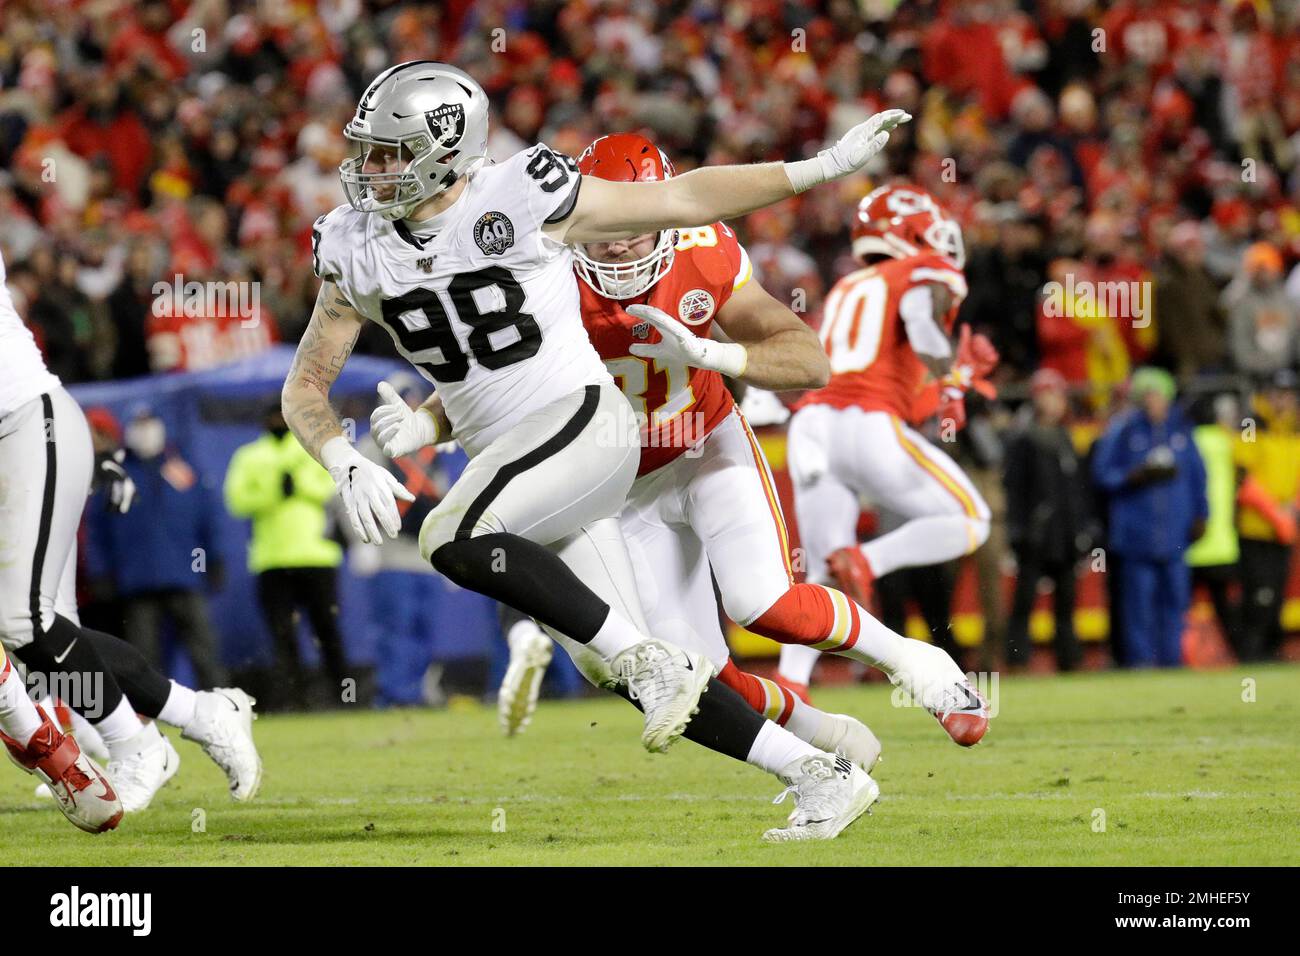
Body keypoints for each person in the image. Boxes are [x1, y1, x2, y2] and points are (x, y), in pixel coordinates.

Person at [284, 61, 912, 840]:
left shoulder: (520, 194)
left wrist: (817, 169)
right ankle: (820, 774)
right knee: (624, 664)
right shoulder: (354, 244)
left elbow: (682, 197)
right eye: (367, 151)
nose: (368, 170)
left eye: (387, 153)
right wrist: (342, 457)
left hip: (584, 424)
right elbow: (305, 385)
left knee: (450, 534)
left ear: (443, 150)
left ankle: (657, 664)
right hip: (518, 468)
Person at [497, 132, 971, 764]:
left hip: (706, 444)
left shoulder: (702, 249)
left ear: (662, 216)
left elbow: (809, 359)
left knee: (763, 603)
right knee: (692, 676)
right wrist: (425, 424)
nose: (615, 246)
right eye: (605, 228)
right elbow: (490, 379)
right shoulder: (541, 275)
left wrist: (716, 354)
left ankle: (915, 660)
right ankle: (821, 736)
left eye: (634, 230)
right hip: (619, 487)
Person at [0, 248, 260, 816]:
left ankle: (134, 745)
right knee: (38, 634)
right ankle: (197, 713)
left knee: (24, 622)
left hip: (23, 427)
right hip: (19, 440)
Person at [776, 184, 996, 711]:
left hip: (810, 426)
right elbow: (921, 326)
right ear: (911, 231)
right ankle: (869, 560)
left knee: (822, 573)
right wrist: (950, 378)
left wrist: (945, 379)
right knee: (972, 520)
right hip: (866, 423)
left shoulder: (848, 285)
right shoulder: (921, 269)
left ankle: (790, 687)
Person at [85, 406, 227, 688]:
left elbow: (207, 517)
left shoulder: (185, 468)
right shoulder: (117, 474)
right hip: (137, 580)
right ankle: (146, 714)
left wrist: (214, 558)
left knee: (203, 650)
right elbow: (97, 530)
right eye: (139, 425)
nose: (145, 432)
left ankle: (221, 703)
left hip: (184, 575)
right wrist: (101, 572)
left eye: (149, 423)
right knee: (143, 656)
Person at [224, 403, 348, 710]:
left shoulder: (316, 449)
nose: (278, 422)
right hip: (273, 559)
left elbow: (335, 486)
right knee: (282, 636)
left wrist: (301, 486)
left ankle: (346, 698)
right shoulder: (249, 455)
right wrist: (273, 492)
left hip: (316, 555)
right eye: (272, 418)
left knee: (327, 631)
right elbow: (236, 500)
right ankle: (295, 701)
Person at [1091, 367, 1208, 667]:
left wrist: (1201, 514)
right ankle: (1141, 664)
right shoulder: (1124, 430)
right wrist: (1134, 477)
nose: (1154, 402)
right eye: (1148, 396)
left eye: (1159, 396)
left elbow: (1198, 477)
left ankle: (1172, 661)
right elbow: (1102, 475)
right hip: (1135, 536)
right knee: (1138, 606)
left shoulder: (1182, 431)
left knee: (1175, 603)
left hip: (1175, 535)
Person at [1002, 368, 1090, 671]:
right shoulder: (1024, 439)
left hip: (1063, 533)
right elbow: (1014, 490)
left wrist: (1082, 529)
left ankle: (1069, 659)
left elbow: (1076, 490)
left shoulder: (1065, 437)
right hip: (1035, 535)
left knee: (1066, 601)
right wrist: (1018, 532)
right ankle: (1017, 661)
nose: (1054, 402)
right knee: (1024, 601)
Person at [1233, 371, 1300, 661]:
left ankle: (1269, 654)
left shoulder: (1293, 432)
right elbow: (1243, 479)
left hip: (1284, 529)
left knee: (1276, 596)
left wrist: (1292, 511)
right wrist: (1277, 515)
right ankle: (1252, 657)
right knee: (1258, 596)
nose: (1282, 400)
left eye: (1288, 394)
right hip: (1256, 529)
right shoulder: (1252, 426)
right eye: (1277, 392)